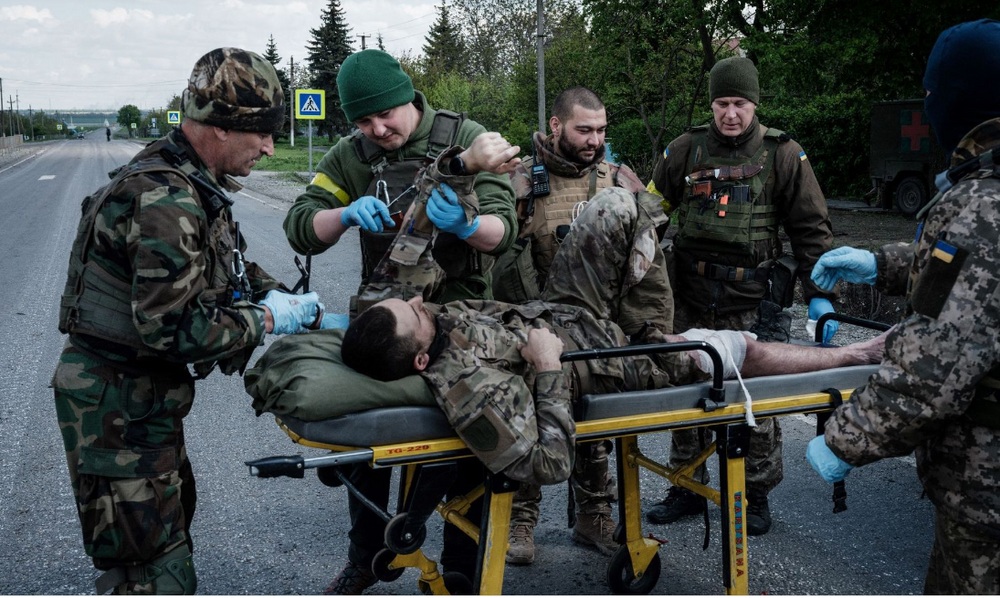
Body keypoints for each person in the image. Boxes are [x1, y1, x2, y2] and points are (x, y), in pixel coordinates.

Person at [341, 187, 885, 493]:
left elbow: (393, 282)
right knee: (736, 349)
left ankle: (646, 284)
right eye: (415, 313)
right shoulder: (470, 391)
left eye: (412, 302)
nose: (421, 302)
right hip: (610, 359)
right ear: (420, 359)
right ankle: (856, 354)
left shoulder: (404, 326)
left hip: (566, 309)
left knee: (615, 204)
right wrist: (547, 368)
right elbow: (546, 464)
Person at [51, 47, 328, 595]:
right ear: (221, 127)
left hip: (141, 400)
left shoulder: (187, 178)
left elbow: (217, 268)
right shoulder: (166, 198)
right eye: (262, 133)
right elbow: (174, 329)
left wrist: (287, 299)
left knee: (168, 534)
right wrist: (266, 319)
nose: (270, 148)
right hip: (117, 410)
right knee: (150, 569)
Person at [281, 48, 519, 594]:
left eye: (385, 115)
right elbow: (300, 225)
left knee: (471, 435)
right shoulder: (352, 156)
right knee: (367, 431)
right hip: (387, 318)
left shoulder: (466, 139)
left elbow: (504, 232)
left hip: (461, 318)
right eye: (363, 121)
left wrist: (467, 226)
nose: (377, 129)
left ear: (408, 97)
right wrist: (343, 214)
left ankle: (462, 565)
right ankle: (367, 556)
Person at [806, 19, 1000, 595]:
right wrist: (880, 263)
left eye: (931, 90)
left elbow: (932, 369)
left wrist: (845, 439)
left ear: (958, 98)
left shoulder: (980, 203)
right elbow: (975, 273)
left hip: (987, 486)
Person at [643, 56, 838, 535]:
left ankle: (755, 495)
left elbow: (811, 230)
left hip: (752, 300)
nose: (731, 114)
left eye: (740, 104)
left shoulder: (785, 156)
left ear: (754, 104)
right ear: (712, 103)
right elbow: (649, 216)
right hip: (689, 295)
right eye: (722, 103)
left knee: (756, 401)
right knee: (688, 394)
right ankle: (686, 486)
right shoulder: (684, 150)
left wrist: (821, 296)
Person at [493, 86, 650, 564]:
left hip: (597, 328)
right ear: (557, 125)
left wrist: (646, 329)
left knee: (595, 424)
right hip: (534, 330)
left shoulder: (619, 180)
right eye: (584, 130)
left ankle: (593, 516)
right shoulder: (518, 182)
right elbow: (492, 261)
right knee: (531, 423)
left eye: (601, 131)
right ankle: (520, 521)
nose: (594, 140)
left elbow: (649, 261)